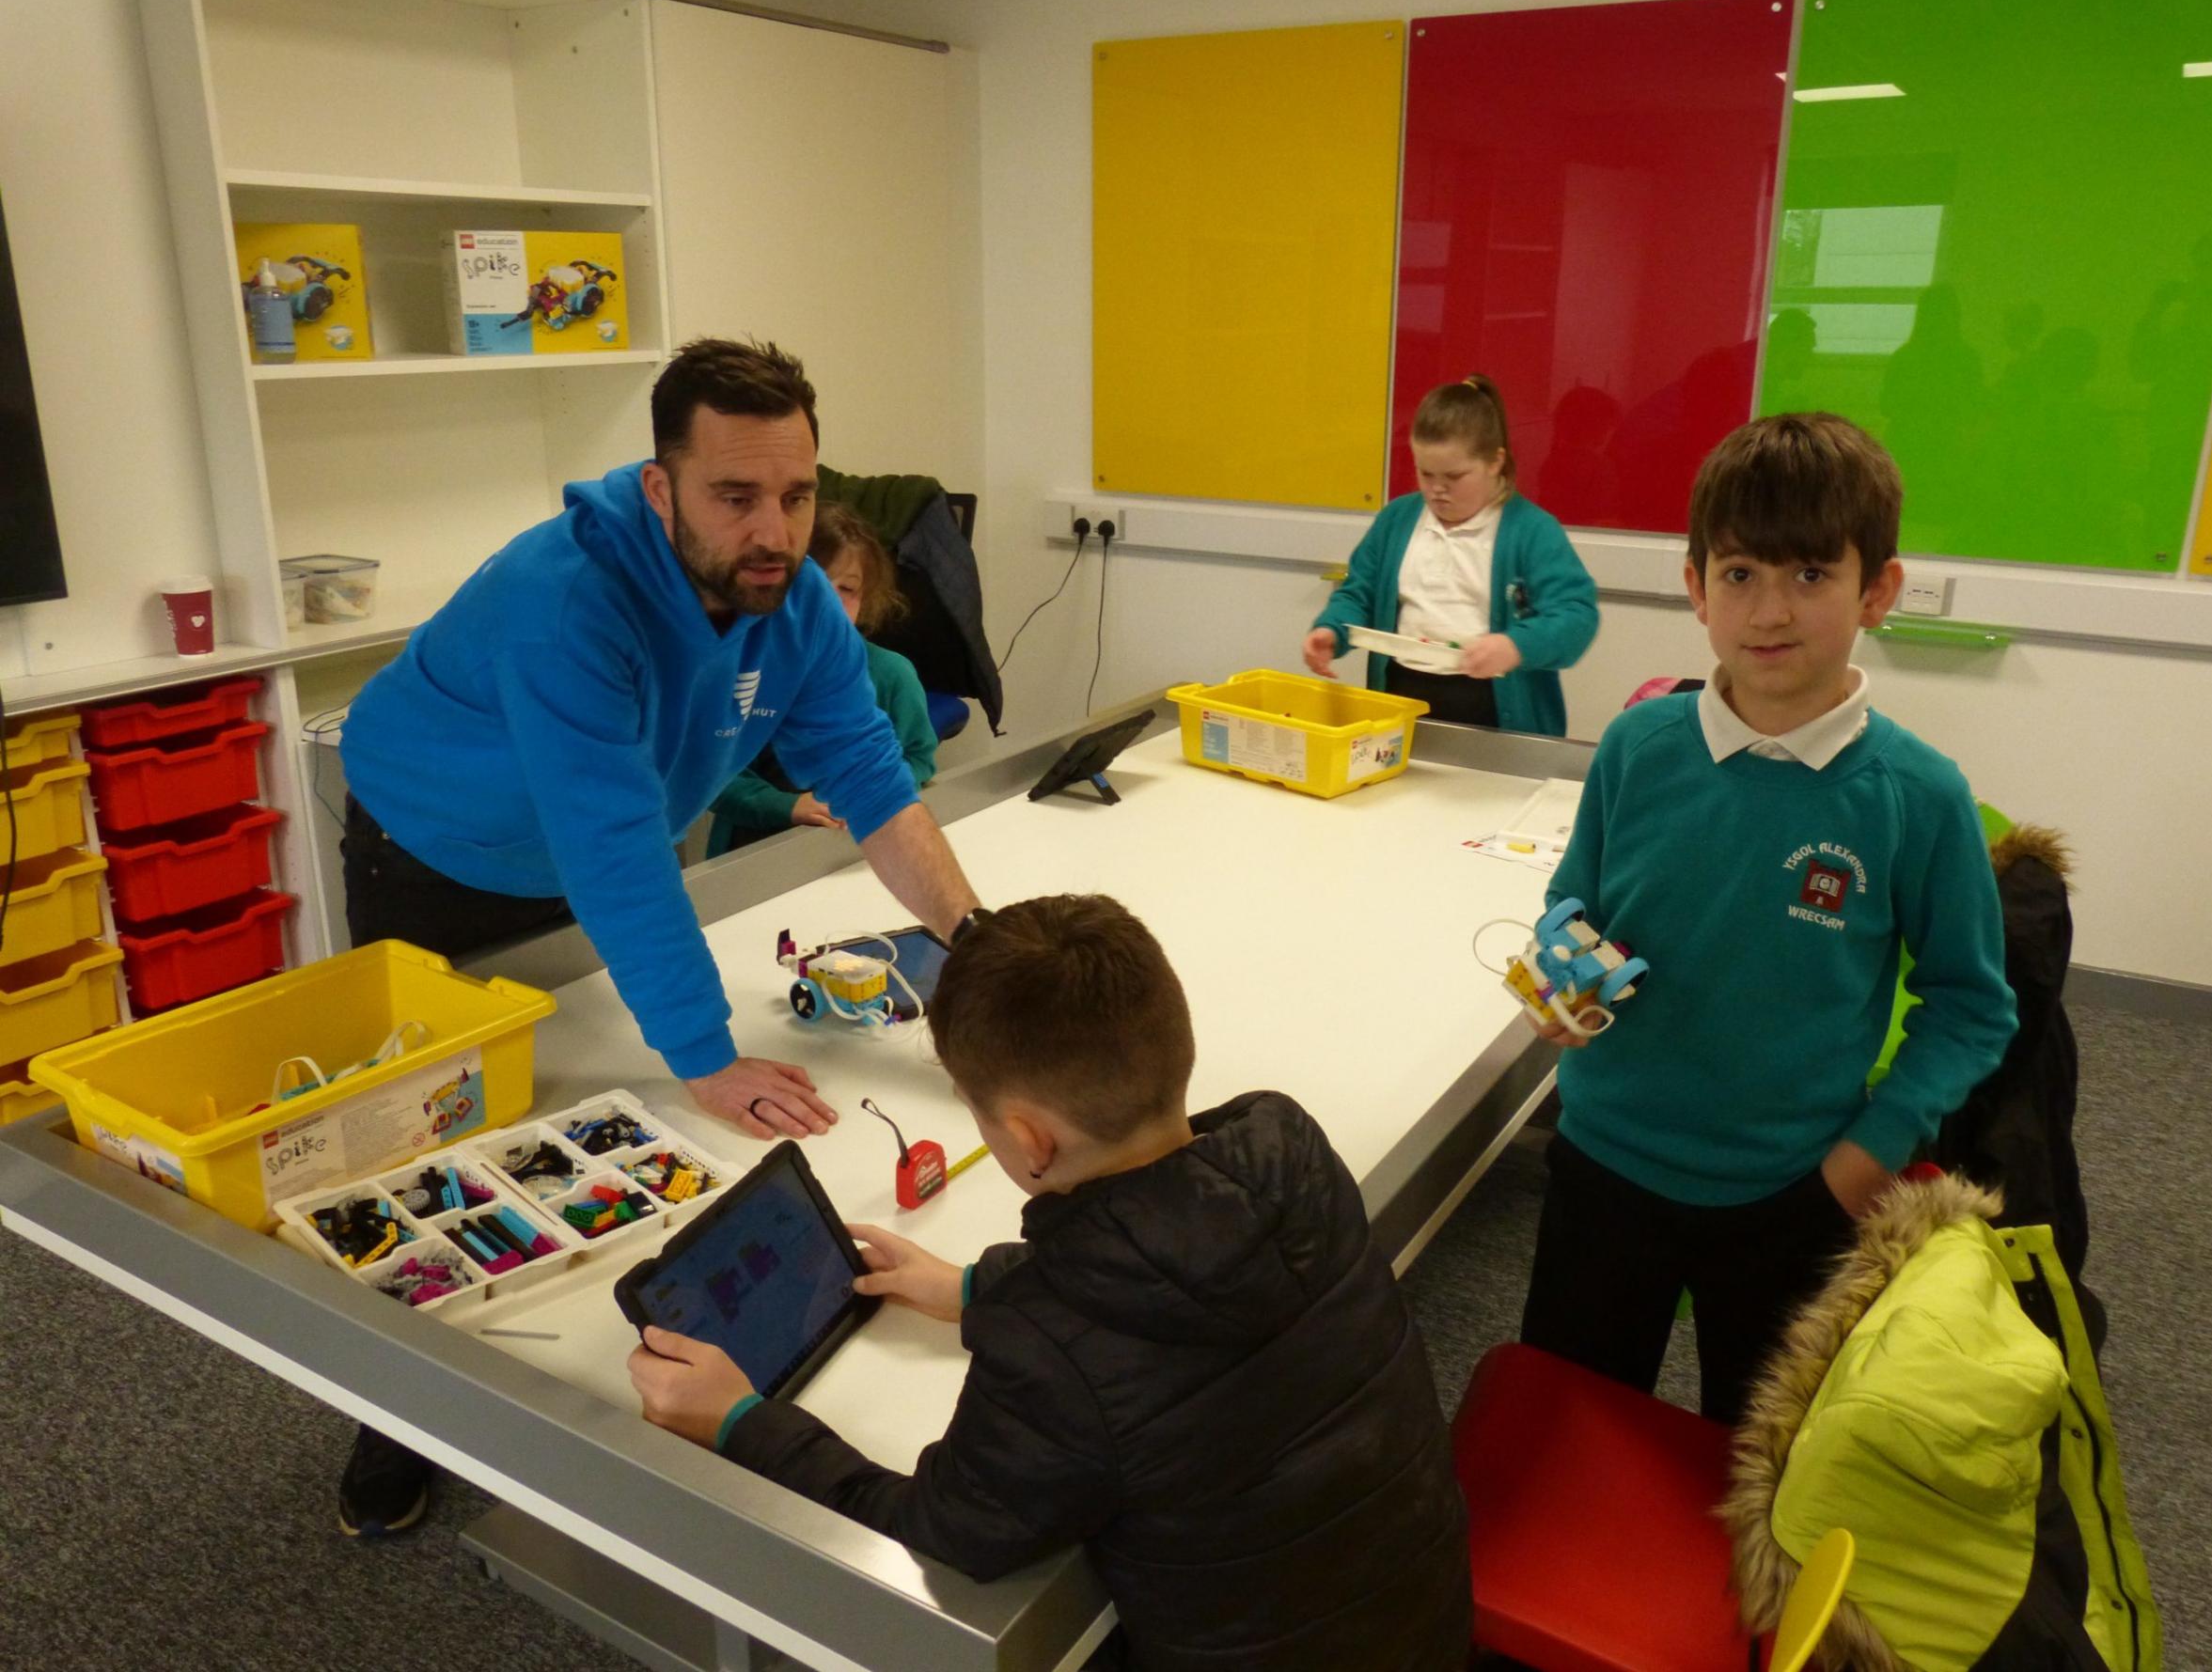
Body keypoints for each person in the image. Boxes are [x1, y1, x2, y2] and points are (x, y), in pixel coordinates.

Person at [334, 337, 992, 1537]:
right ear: (660, 486)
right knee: (427, 1148)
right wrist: (702, 1051)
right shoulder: (565, 601)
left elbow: (873, 778)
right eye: (735, 495)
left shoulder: (790, 601)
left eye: (795, 496)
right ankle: (393, 1420)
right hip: (440, 858)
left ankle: (579, 1373)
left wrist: (981, 949)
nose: (775, 532)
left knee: (597, 1139)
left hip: (589, 847)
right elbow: (615, 847)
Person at [628, 895, 1471, 1672]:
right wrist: (970, 1287)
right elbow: (1170, 1235)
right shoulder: (1287, 1149)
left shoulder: (1049, 1350)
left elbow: (943, 1532)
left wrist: (741, 1422)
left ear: (1029, 1140)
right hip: (1417, 1622)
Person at [1517, 413, 2017, 1427]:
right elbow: (1574, 901)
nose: (1770, 611)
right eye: (1740, 575)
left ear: (1877, 588)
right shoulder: (1637, 746)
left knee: (1752, 1473)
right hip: (1603, 1163)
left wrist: (1862, 1161)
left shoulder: (1918, 796)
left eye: (1809, 576)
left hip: (1792, 1195)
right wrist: (1560, 967)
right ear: (1696, 585)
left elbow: (1971, 1006)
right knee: (1571, 1436)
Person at [1304, 374, 1597, 734]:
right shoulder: (1397, 520)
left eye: (1455, 476)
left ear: (1495, 462)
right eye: (1425, 474)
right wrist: (1331, 629)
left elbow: (1576, 615)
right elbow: (1358, 593)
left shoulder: (1532, 530)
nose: (1437, 490)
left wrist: (1515, 645)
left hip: (1495, 716)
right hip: (1402, 701)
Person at [705, 502, 937, 855]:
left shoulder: (892, 675)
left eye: (847, 589)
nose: (828, 603)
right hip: (754, 849)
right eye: (812, 586)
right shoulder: (738, 672)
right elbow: (715, 779)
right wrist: (789, 807)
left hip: (853, 847)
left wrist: (871, 792)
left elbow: (919, 757)